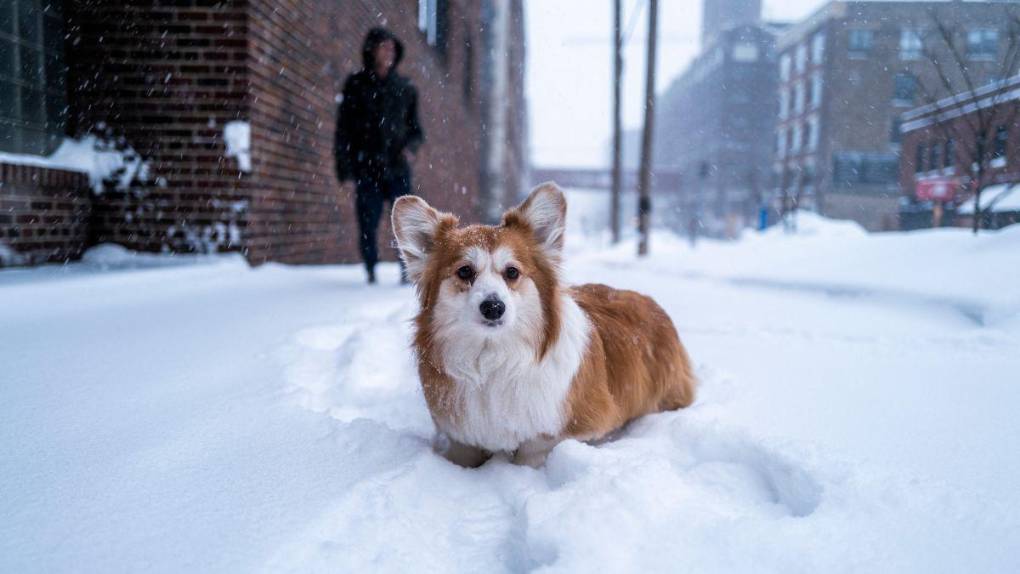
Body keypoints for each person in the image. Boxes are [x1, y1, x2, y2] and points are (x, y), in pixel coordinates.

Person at [335, 27, 424, 284]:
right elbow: (344, 130)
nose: (388, 53)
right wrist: (345, 167)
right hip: (366, 166)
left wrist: (410, 150)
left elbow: (416, 130)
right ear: (371, 50)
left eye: (392, 48)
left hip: (397, 166)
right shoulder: (356, 86)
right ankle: (371, 269)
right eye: (383, 47)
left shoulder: (405, 88)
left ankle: (406, 270)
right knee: (367, 220)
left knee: (404, 221)